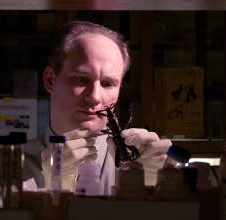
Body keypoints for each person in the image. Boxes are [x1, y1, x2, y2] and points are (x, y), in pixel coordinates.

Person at [23, 20, 172, 195]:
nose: (95, 97)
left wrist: (155, 190)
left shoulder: (142, 161)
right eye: (81, 79)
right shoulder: (11, 169)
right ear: (50, 80)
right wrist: (56, 191)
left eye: (108, 84)